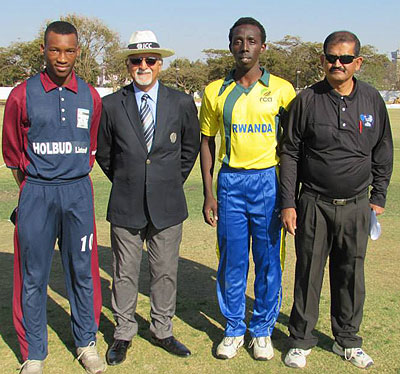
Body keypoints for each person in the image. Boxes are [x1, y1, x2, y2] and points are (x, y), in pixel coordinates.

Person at [280, 31, 393, 369]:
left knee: (350, 274)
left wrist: (379, 196)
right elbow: (289, 153)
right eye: (331, 57)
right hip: (314, 203)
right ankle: (300, 340)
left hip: (357, 205)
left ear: (358, 62)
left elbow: (383, 151)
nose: (337, 64)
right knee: (308, 274)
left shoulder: (372, 100)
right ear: (322, 60)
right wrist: (288, 202)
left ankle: (348, 340)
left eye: (345, 59)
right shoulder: (307, 100)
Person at [2, 21, 105, 374]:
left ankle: (86, 341)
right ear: (43, 50)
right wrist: (33, 188)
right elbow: (14, 153)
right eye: (55, 50)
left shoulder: (90, 95)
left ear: (78, 52)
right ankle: (34, 353)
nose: (62, 58)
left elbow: (91, 147)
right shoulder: (21, 94)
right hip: (37, 192)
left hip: (78, 192)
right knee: (32, 275)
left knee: (83, 270)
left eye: (69, 50)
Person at [96, 30, 200, 365]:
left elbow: (190, 149)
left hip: (168, 203)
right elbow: (105, 154)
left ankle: (162, 329)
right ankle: (123, 332)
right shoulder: (111, 104)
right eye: (137, 60)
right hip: (126, 201)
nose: (144, 65)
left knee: (165, 271)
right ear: (128, 64)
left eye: (150, 60)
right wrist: (130, 180)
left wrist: (165, 181)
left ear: (160, 64)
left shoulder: (181, 102)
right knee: (125, 272)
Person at [199, 17, 296, 360]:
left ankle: (263, 330)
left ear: (262, 47)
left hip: (268, 181)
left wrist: (288, 196)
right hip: (230, 183)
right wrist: (209, 192)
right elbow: (207, 141)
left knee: (269, 259)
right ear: (230, 46)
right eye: (238, 41)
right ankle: (234, 328)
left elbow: (291, 147)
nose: (244, 47)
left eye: (252, 41)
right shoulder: (215, 91)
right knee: (232, 260)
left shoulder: (283, 90)